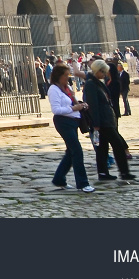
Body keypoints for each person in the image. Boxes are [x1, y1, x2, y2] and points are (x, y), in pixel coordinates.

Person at [84, 59, 136, 182]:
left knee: (102, 148)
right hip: (102, 122)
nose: (105, 74)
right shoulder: (91, 84)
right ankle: (124, 172)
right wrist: (96, 124)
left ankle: (103, 173)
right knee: (117, 145)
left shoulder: (98, 83)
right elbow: (93, 105)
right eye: (103, 72)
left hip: (107, 120)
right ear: (98, 71)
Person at [47, 64, 93, 192]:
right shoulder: (53, 89)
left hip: (74, 121)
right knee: (77, 151)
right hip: (63, 122)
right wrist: (73, 108)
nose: (68, 78)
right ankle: (83, 183)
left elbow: (72, 101)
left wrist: (81, 104)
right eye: (66, 75)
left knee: (70, 152)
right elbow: (56, 110)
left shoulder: (66, 88)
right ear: (59, 76)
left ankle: (59, 179)